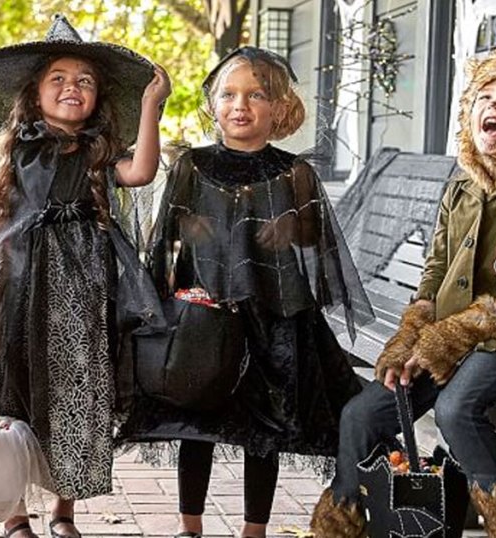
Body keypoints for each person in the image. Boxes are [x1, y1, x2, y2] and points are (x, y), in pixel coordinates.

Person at [309, 39, 496, 538]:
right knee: (361, 414)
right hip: (448, 337)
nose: (493, 107)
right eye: (484, 98)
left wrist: (450, 338)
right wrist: (410, 336)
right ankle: (341, 525)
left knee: (456, 409)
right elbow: (435, 270)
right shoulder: (462, 189)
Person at [117, 46, 372, 538]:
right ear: (213, 105)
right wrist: (174, 266)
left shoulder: (295, 172)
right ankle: (189, 525)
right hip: (203, 316)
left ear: (278, 109)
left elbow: (319, 240)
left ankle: (253, 529)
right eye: (229, 95)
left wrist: (292, 227)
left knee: (265, 430)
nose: (241, 105)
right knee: (197, 423)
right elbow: (165, 242)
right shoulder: (193, 165)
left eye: (257, 95)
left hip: (273, 317)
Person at [0, 14, 170, 538]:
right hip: (21, 297)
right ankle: (14, 514)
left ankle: (63, 512)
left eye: (85, 81)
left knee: (78, 394)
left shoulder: (96, 154)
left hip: (82, 300)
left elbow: (140, 172)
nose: (72, 88)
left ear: (97, 99)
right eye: (59, 80)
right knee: (14, 398)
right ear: (35, 93)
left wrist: (151, 106)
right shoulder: (13, 155)